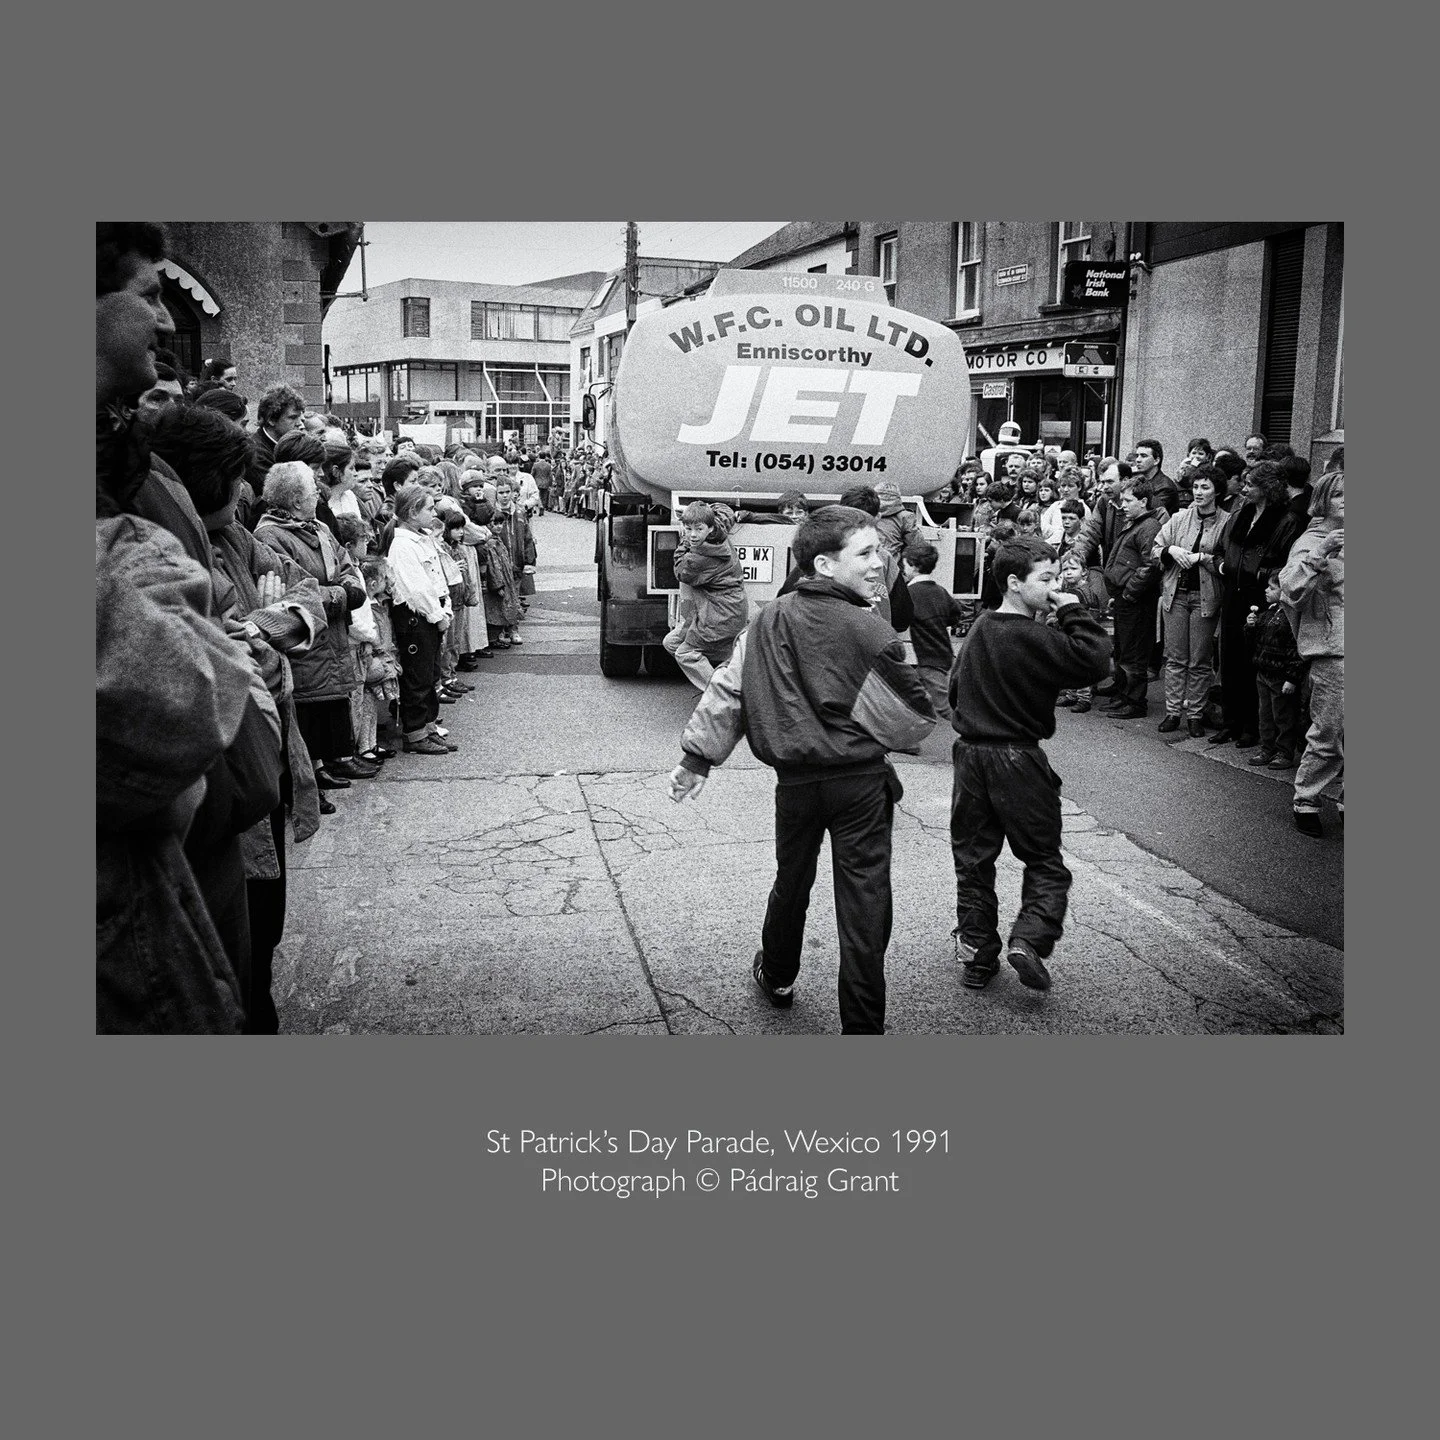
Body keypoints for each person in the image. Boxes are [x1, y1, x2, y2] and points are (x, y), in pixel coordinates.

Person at [96, 221, 274, 1033]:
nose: (167, 321)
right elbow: (183, 702)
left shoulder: (141, 471)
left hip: (173, 861)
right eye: (147, 296)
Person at [668, 506, 937, 1034]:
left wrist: (698, 758)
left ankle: (777, 975)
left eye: (880, 551)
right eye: (866, 552)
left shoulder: (768, 619)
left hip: (795, 783)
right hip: (861, 786)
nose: (880, 562)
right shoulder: (871, 631)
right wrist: (862, 716)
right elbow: (914, 721)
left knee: (791, 880)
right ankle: (863, 1028)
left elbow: (729, 688)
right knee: (864, 903)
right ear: (824, 564)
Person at [947, 534, 1112, 991]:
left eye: (1058, 578)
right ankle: (1029, 939)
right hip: (1018, 756)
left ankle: (977, 952)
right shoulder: (1039, 636)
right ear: (1014, 583)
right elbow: (1096, 658)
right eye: (1047, 579)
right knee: (1044, 860)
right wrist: (1072, 609)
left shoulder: (981, 627)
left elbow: (955, 689)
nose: (1056, 587)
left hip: (971, 755)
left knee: (974, 860)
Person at [255, 462, 373, 789]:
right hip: (307, 636)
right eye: (311, 491)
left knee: (328, 703)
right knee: (307, 709)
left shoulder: (319, 527)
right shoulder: (269, 536)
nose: (318, 494)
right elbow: (295, 589)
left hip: (331, 633)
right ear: (295, 500)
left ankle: (324, 766)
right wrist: (341, 594)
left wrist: (347, 588)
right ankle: (309, 778)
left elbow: (346, 567)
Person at [1280, 472, 1344, 837]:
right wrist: (1321, 554)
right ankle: (1306, 799)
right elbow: (1290, 589)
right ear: (1322, 501)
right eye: (1339, 495)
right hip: (1334, 650)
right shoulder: (1311, 541)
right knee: (1329, 729)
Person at [1212, 460, 1292, 748]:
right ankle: (1230, 722)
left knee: (1251, 662)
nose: (1244, 489)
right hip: (1233, 594)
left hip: (1259, 596)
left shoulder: (1285, 521)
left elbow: (1285, 564)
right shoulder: (1240, 514)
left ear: (1267, 488)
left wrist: (1258, 575)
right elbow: (1219, 549)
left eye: (1250, 485)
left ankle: (1251, 726)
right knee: (1229, 659)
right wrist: (1222, 566)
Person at [1151, 465, 1227, 737]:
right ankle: (1173, 712)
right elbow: (1155, 550)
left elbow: (1227, 561)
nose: (1198, 492)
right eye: (1195, 487)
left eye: (1205, 487)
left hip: (1206, 597)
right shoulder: (1179, 518)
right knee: (1175, 658)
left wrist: (1202, 558)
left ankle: (1195, 714)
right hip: (1176, 594)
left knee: (1199, 660)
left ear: (1217, 491)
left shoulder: (1227, 521)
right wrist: (1171, 550)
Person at [384, 484, 456, 755]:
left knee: (430, 674)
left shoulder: (421, 538)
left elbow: (436, 578)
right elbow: (416, 589)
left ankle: (427, 726)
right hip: (417, 618)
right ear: (413, 512)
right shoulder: (403, 545)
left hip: (431, 614)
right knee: (417, 677)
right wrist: (436, 615)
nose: (434, 513)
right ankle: (414, 734)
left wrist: (444, 607)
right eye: (429, 508)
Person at [665, 501, 750, 690]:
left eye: (699, 529)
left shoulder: (698, 559)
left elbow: (681, 571)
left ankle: (722, 693)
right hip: (722, 609)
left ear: (710, 528)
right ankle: (727, 677)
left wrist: (685, 541)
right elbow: (725, 510)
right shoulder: (719, 530)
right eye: (689, 529)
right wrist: (698, 513)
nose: (693, 535)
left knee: (685, 653)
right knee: (671, 643)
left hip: (720, 616)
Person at [1099, 480, 1163, 718]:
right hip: (1126, 596)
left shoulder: (1148, 526)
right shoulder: (1137, 523)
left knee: (1134, 651)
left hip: (1136, 599)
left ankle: (1135, 701)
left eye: (1128, 500)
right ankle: (1123, 693)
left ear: (1143, 501)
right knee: (1124, 648)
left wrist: (1129, 592)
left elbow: (1151, 565)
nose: (1123, 505)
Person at [1244, 568, 1306, 770]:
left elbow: (1296, 650)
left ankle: (1284, 752)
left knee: (1283, 716)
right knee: (1265, 715)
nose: (1266, 590)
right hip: (1263, 672)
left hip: (1280, 676)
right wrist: (1250, 627)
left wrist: (1292, 678)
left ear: (1284, 591)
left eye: (1272, 588)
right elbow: (1253, 642)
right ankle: (1267, 748)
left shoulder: (1292, 617)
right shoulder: (1268, 613)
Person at [903, 538, 966, 721]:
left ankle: (971, 731)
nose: (903, 569)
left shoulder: (910, 593)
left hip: (928, 657)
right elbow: (956, 613)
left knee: (944, 707)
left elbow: (899, 619)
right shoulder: (940, 591)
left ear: (913, 566)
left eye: (904, 565)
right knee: (914, 690)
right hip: (944, 652)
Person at [1054, 550, 1107, 713]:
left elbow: (1087, 616)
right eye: (1065, 569)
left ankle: (1084, 698)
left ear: (1084, 571)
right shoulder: (1070, 590)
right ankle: (1072, 694)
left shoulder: (1083, 593)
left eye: (1073, 568)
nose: (1068, 572)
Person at [248, 384, 305, 499]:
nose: (300, 424)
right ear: (271, 420)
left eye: (300, 417)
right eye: (292, 417)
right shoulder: (256, 453)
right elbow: (280, 495)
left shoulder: (287, 444)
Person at [1133, 439, 1179, 517]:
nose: (1138, 460)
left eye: (1143, 456)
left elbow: (1149, 513)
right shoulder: (1138, 480)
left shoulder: (1166, 488)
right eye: (1137, 456)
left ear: (1156, 460)